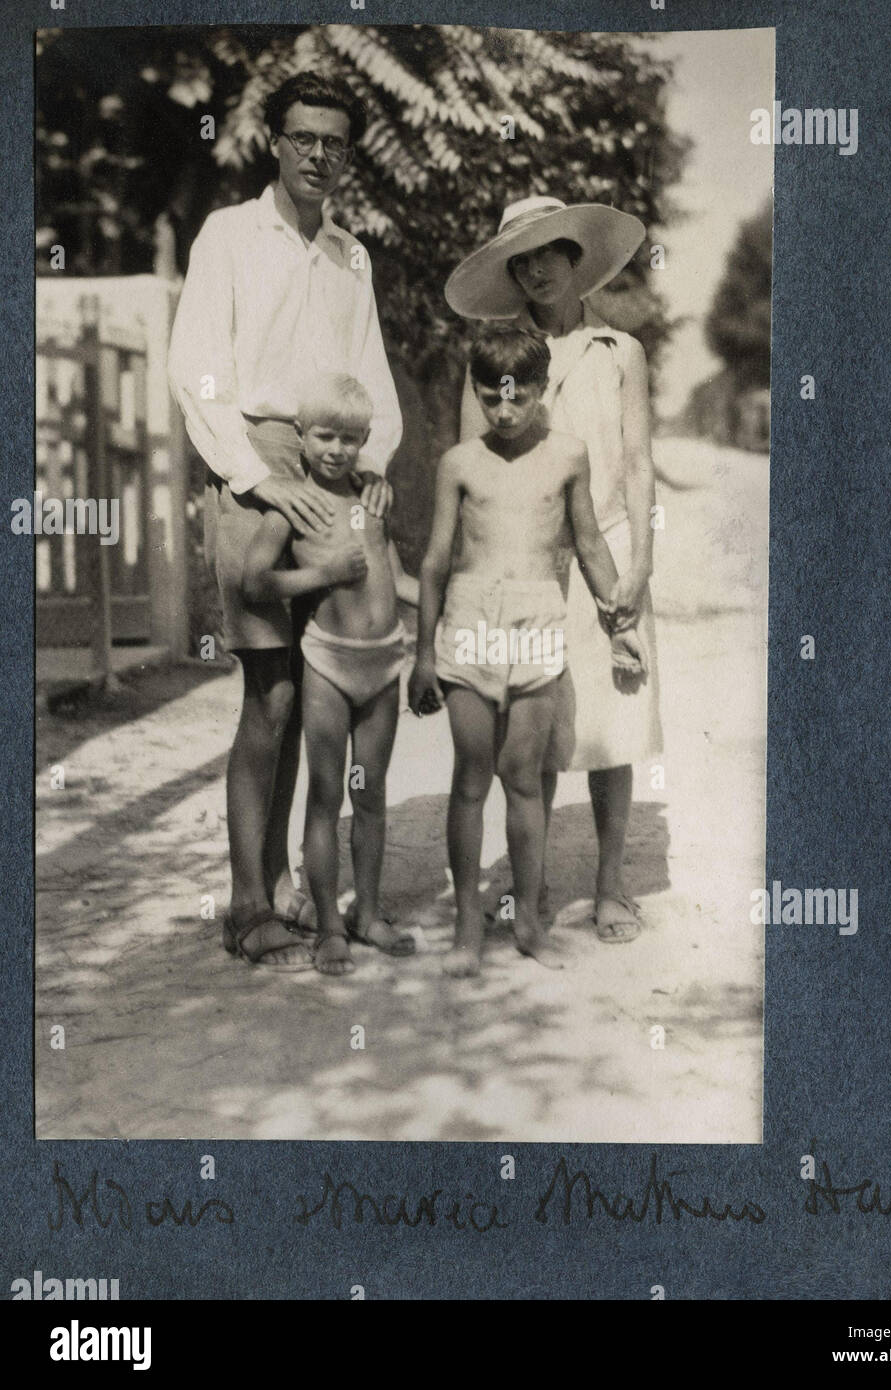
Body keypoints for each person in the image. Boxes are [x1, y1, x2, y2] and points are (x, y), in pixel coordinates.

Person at [168, 72, 402, 970]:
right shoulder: (230, 235)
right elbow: (198, 374)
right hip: (256, 471)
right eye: (302, 137)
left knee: (316, 699)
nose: (318, 154)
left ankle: (294, 892)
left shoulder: (351, 258)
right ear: (274, 141)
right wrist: (262, 480)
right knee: (266, 695)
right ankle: (245, 902)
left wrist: (370, 467)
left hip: (333, 479)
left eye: (334, 142)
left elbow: (373, 387)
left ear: (349, 153)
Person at [445, 196, 663, 945]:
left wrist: (639, 562)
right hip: (524, 556)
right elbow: (469, 465)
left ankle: (609, 885)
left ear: (578, 262)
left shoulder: (617, 352)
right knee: (523, 727)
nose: (535, 270)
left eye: (549, 253)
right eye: (520, 260)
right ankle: (526, 887)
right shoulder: (496, 358)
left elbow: (636, 463)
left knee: (612, 722)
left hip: (605, 543)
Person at [409, 325, 643, 978]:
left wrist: (617, 618)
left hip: (538, 629)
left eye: (518, 397)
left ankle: (529, 923)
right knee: (468, 778)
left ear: (542, 390)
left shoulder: (567, 455)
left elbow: (590, 542)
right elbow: (434, 562)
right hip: (468, 631)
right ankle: (464, 926)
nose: (504, 412)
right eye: (490, 399)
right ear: (478, 393)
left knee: (523, 779)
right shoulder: (460, 464)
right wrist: (424, 655)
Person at [242, 375, 418, 976]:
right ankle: (329, 925)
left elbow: (398, 580)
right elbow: (256, 582)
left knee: (369, 795)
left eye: (349, 439)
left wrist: (454, 603)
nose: (337, 450)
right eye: (324, 436)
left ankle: (367, 913)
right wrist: (323, 576)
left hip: (384, 662)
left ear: (366, 440)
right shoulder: (294, 504)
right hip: (328, 665)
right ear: (301, 435)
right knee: (326, 795)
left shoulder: (372, 503)